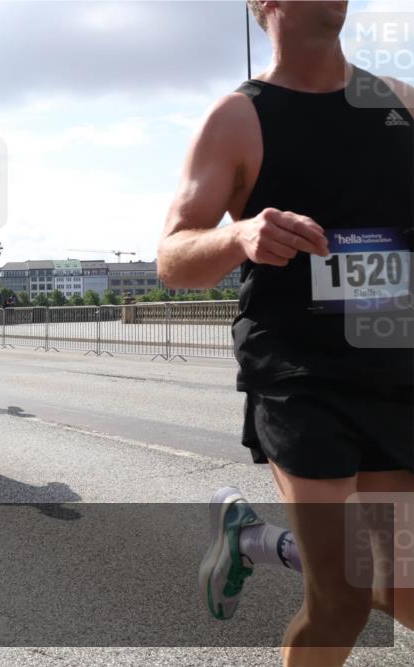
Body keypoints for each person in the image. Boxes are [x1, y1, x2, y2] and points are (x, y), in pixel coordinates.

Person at [157, 2, 413, 665]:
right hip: (299, 371)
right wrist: (240, 234)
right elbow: (172, 254)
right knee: (345, 594)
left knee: (405, 588)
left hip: (394, 370)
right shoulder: (238, 117)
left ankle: (251, 540)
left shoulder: (399, 104)